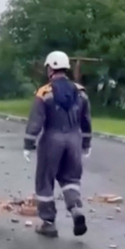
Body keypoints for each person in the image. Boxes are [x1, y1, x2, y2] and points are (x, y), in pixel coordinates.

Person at [23, 51, 92, 238]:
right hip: (74, 141)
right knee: (71, 180)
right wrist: (86, 143)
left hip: (52, 140)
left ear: (50, 68)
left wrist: (28, 144)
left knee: (45, 180)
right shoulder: (81, 92)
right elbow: (86, 121)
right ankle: (76, 209)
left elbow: (36, 121)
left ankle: (48, 223)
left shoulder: (44, 93)